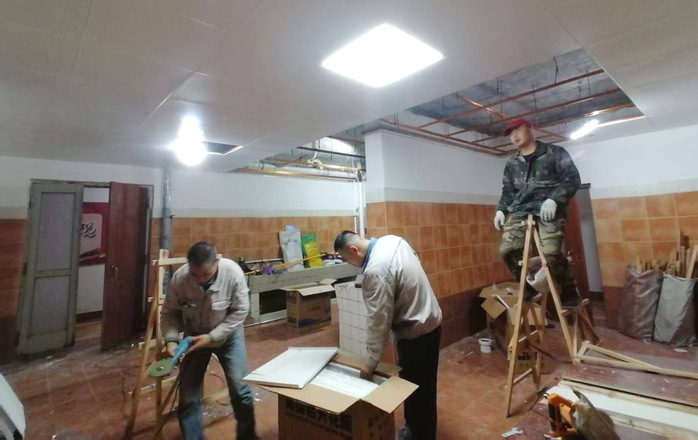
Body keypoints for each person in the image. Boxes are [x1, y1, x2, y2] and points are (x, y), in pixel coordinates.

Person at [334, 231, 442, 440]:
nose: (350, 264)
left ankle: (420, 435)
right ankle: (415, 429)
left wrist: (371, 362)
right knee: (424, 386)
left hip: (415, 333)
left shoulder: (375, 271)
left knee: (416, 389)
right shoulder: (392, 241)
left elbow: (378, 321)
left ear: (354, 250)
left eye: (347, 259)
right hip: (431, 319)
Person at [161, 241, 257, 440]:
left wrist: (213, 337)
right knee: (188, 396)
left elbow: (240, 311)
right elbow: (169, 313)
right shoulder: (180, 279)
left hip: (229, 337)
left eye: (205, 274)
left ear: (217, 261)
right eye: (195, 274)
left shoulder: (233, 273)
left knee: (240, 389)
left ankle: (247, 436)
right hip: (194, 339)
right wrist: (171, 340)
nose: (199, 280)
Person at [493, 119, 582, 307]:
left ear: (531, 129)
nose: (514, 136)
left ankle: (568, 288)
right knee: (507, 251)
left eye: (518, 130)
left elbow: (572, 179)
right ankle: (527, 286)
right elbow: (508, 190)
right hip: (521, 209)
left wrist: (554, 199)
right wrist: (501, 210)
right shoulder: (512, 163)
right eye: (510, 133)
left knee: (551, 252)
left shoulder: (555, 153)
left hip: (548, 208)